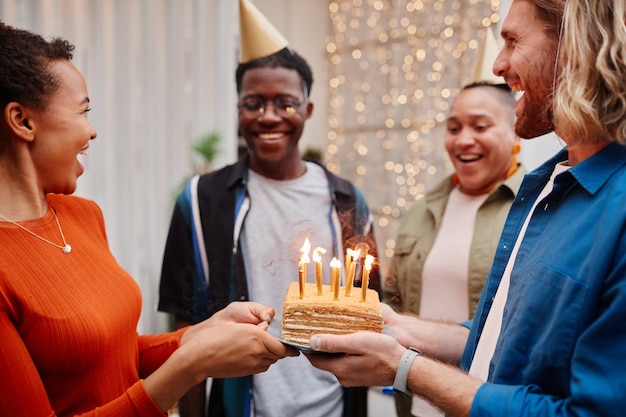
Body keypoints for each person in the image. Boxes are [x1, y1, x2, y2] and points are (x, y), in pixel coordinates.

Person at [305, 0, 626, 416]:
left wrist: (403, 369)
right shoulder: (548, 187)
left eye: (512, 40)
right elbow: (504, 337)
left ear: (576, 47)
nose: (499, 64)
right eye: (453, 127)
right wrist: (401, 328)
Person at [0, 21, 296, 417]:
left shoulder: (83, 216)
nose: (92, 131)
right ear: (22, 121)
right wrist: (193, 365)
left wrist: (201, 333)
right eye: (83, 111)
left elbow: (117, 357)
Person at [157, 1, 380, 416]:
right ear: (237, 108)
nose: (269, 116)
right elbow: (184, 326)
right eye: (254, 102)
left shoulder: (347, 200)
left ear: (309, 109)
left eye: (286, 103)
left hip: (332, 404)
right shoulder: (201, 198)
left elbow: (365, 310)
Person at [384, 81, 525, 417]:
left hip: (487, 404)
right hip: (413, 402)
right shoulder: (423, 209)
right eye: (453, 128)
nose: (463, 140)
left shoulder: (535, 209)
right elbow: (395, 298)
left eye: (480, 126)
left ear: (516, 133)